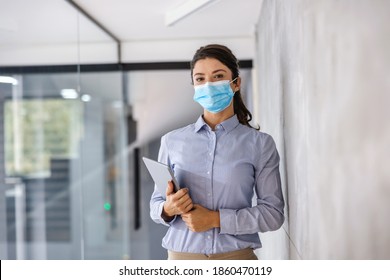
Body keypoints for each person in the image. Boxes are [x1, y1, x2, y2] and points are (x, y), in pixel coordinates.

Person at [150, 44, 285, 260]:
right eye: (200, 79)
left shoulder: (259, 144)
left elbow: (273, 214)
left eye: (218, 76)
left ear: (236, 83)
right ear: (194, 85)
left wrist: (216, 219)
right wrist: (168, 208)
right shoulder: (172, 141)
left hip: (237, 259)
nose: (208, 85)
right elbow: (156, 206)